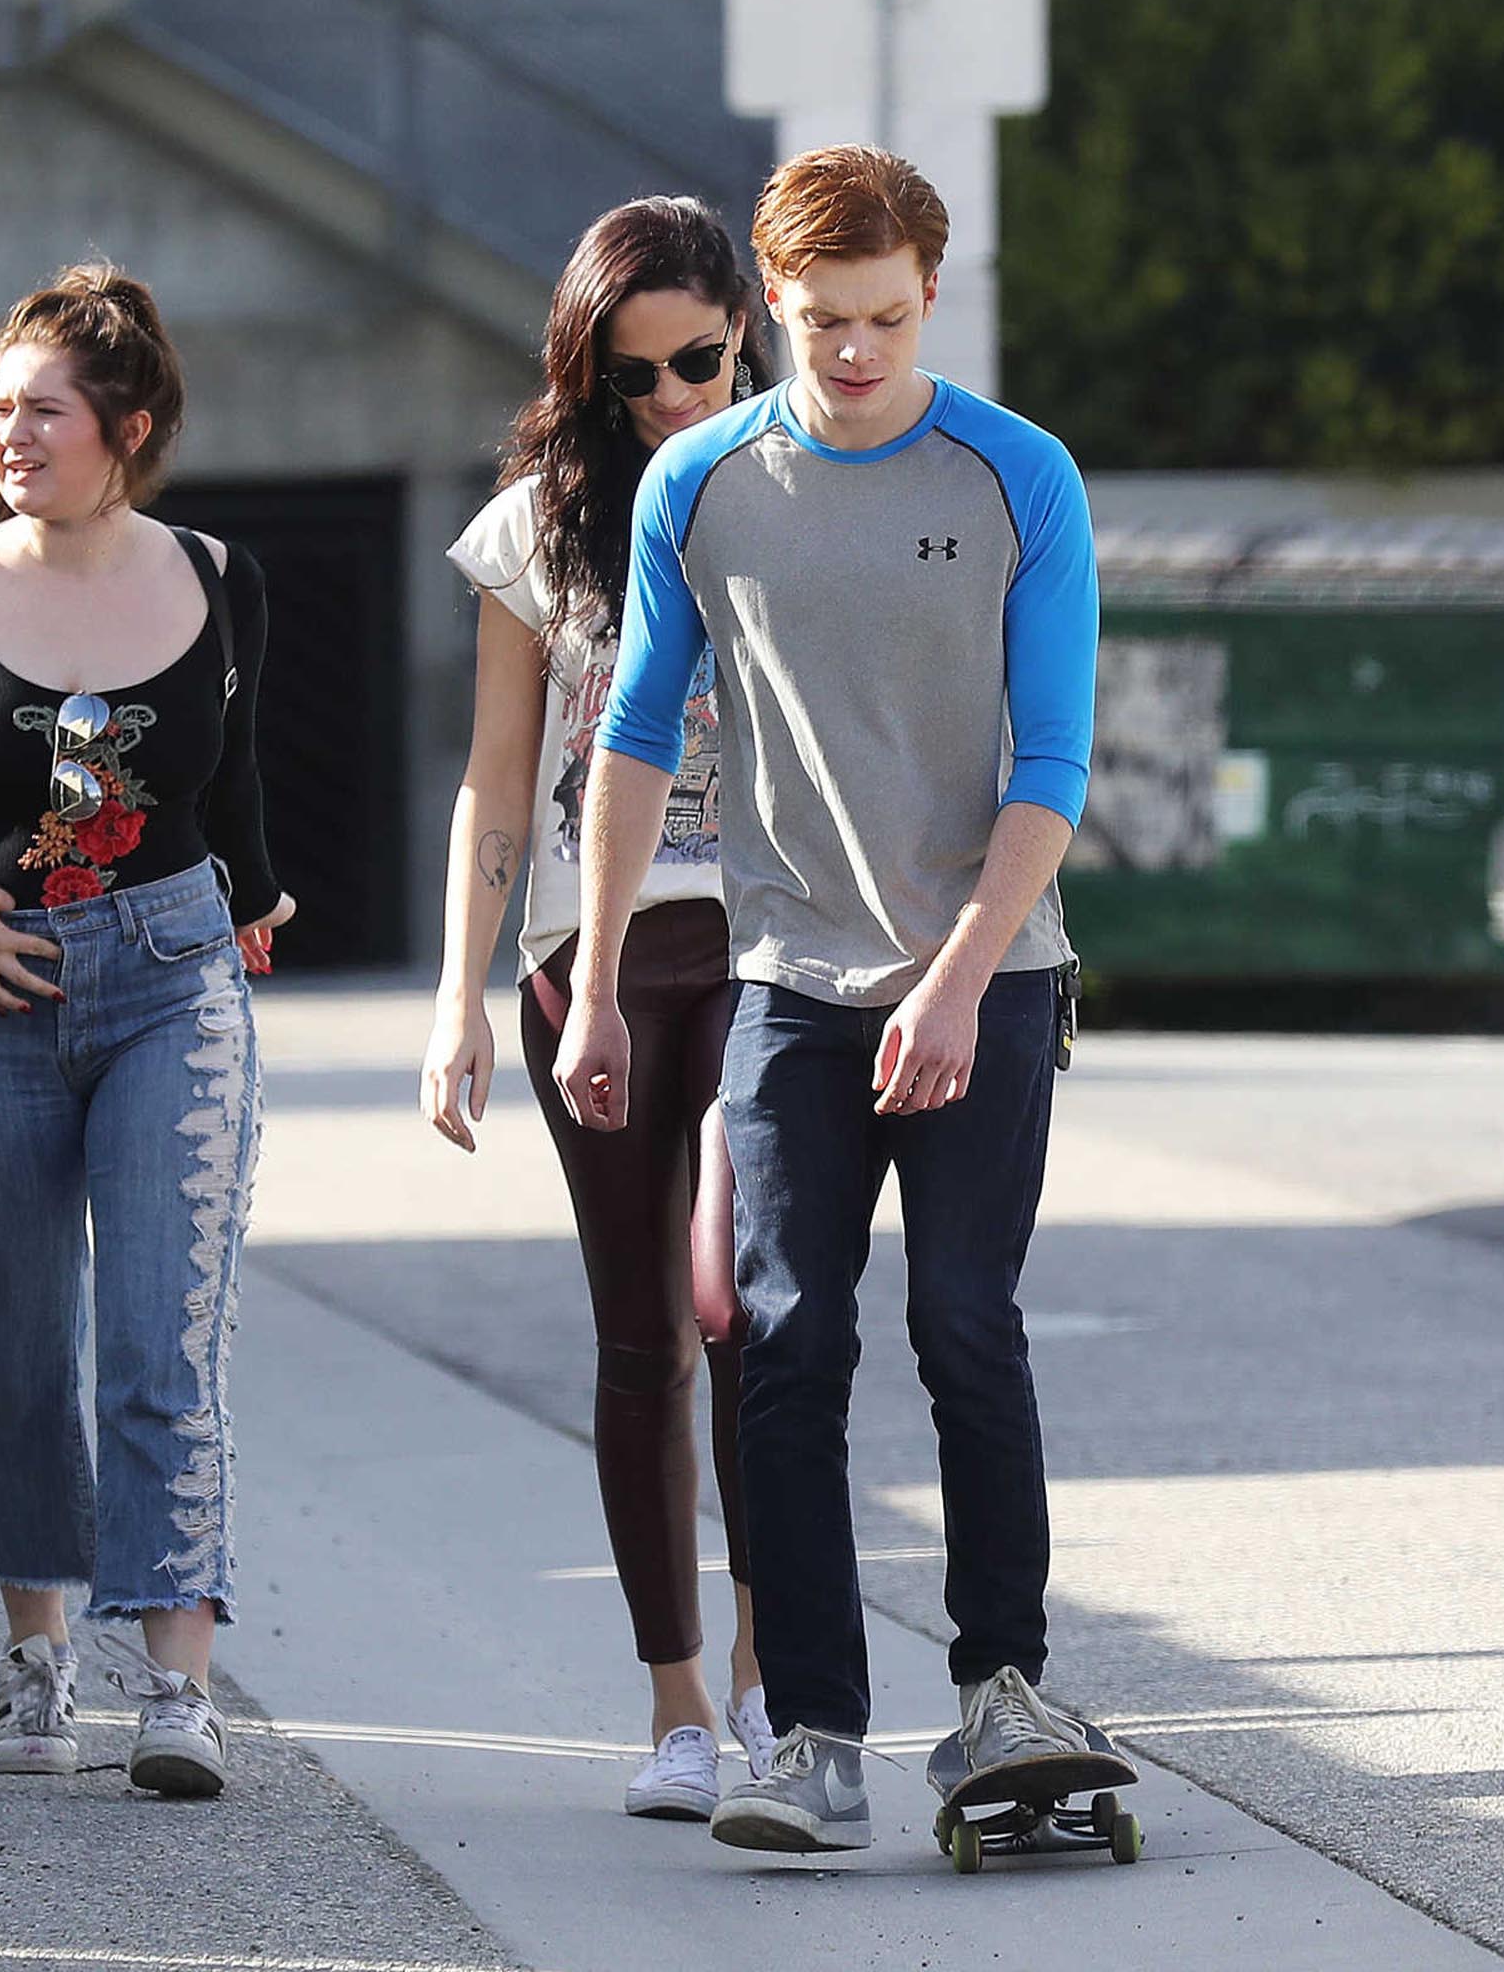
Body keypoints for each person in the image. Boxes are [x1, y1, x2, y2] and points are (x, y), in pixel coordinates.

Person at [551, 145, 1102, 1855]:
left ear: (930, 292)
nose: (852, 352)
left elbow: (1056, 757)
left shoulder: (1022, 475)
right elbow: (638, 734)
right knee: (779, 1336)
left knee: (961, 1323)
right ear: (769, 309)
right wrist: (593, 985)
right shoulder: (701, 484)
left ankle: (1004, 1684)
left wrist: (952, 985)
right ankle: (814, 1737)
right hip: (789, 978)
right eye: (819, 321)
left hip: (988, 971)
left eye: (883, 316)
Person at [0, 266, 293, 1799]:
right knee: (18, 1350)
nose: (12, 432)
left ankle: (176, 1689)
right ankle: (37, 1660)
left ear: (128, 427)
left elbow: (230, 790)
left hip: (172, 977)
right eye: (1, 405)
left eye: (46, 409)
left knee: (163, 1346)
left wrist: (260, 899)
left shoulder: (219, 574)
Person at [423, 197, 780, 1821]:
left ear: (745, 334)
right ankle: (680, 1711)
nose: (670, 402)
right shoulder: (535, 530)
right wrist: (460, 998)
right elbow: (498, 782)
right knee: (641, 1335)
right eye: (630, 378)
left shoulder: (807, 491)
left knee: (751, 1315)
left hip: (775, 951)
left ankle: (784, 1688)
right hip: (596, 965)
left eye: (696, 362)